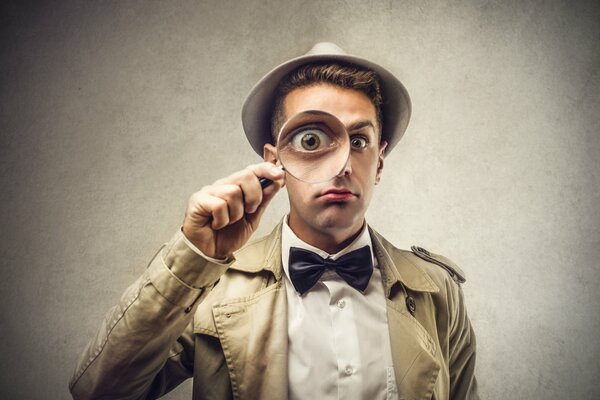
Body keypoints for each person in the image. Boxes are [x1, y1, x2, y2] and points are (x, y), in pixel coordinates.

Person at [69, 42, 479, 400]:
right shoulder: (212, 291)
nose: (341, 167)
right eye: (312, 140)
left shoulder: (437, 291)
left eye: (358, 141)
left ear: (379, 163)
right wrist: (192, 259)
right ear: (275, 160)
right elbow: (100, 392)